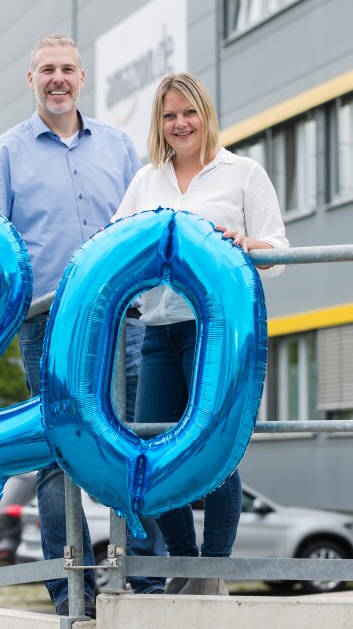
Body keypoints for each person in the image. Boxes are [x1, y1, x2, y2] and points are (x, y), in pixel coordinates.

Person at [0, 34, 165, 617]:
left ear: (82, 78)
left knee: (133, 439)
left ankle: (144, 580)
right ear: (31, 79)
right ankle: (71, 590)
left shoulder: (118, 147)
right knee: (55, 453)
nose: (58, 78)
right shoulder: (6, 154)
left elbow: (148, 222)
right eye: (47, 69)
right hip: (48, 326)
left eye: (67, 69)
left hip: (125, 320)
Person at [113, 72, 289, 596]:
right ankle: (185, 567)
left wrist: (246, 242)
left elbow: (279, 253)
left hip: (217, 332)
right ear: (159, 124)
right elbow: (117, 242)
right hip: (158, 330)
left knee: (217, 448)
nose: (180, 124)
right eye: (169, 116)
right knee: (153, 451)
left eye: (188, 112)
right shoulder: (147, 181)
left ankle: (213, 570)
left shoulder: (242, 173)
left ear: (205, 115)